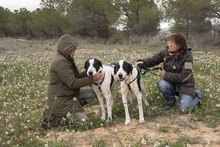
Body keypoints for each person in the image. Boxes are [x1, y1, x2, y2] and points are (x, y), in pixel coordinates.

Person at [42, 34, 103, 130]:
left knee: (92, 93)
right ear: (65, 48)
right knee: (84, 122)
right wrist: (92, 79)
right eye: (73, 48)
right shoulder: (60, 62)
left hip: (69, 95)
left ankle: (73, 109)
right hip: (60, 100)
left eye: (75, 48)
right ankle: (55, 118)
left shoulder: (66, 58)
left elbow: (75, 77)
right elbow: (73, 83)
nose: (75, 50)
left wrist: (90, 73)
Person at [135, 33, 202, 113]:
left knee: (184, 110)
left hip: (185, 85)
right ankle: (171, 102)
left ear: (180, 45)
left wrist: (164, 74)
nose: (170, 45)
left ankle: (197, 94)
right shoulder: (166, 52)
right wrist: (142, 62)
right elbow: (153, 60)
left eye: (173, 44)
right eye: (169, 42)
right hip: (171, 82)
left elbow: (184, 76)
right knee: (162, 84)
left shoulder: (187, 56)